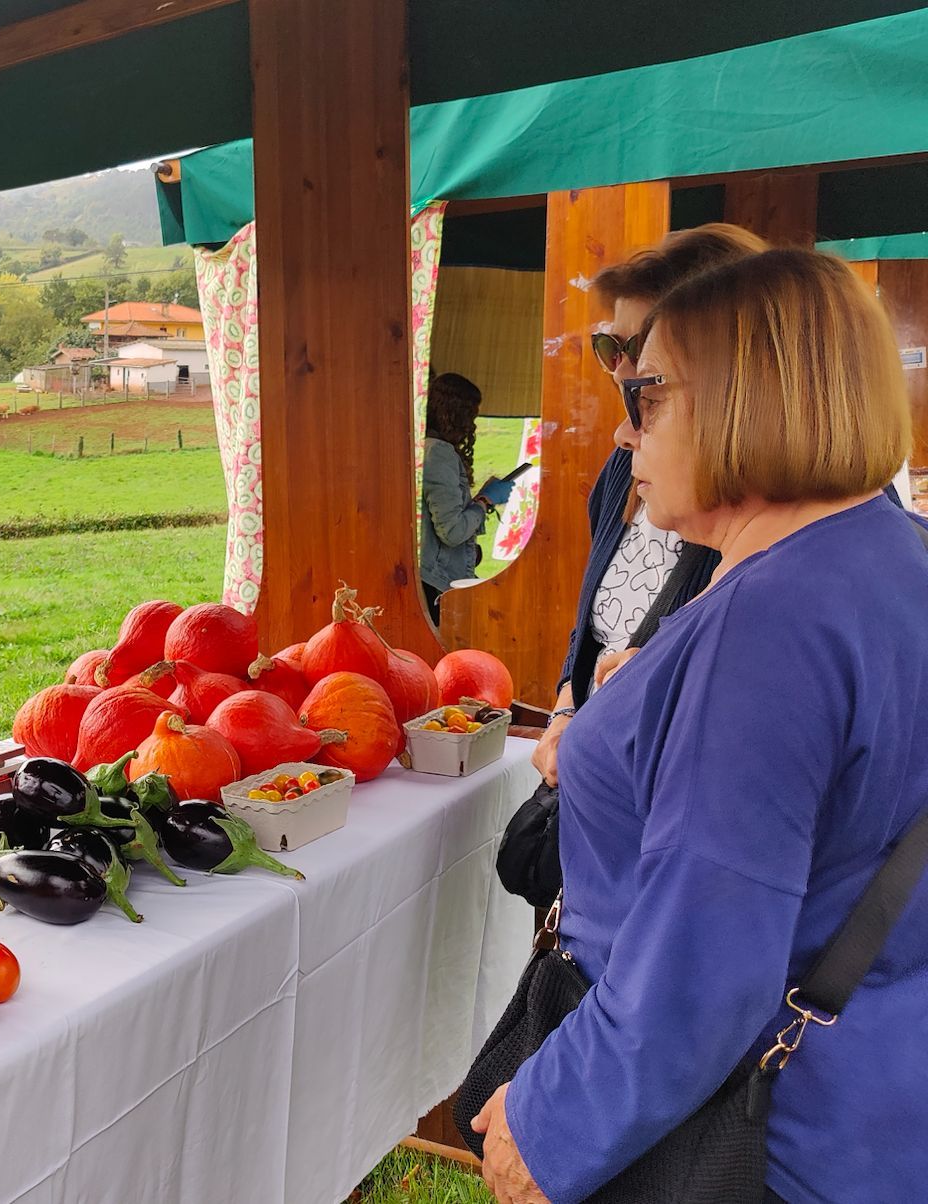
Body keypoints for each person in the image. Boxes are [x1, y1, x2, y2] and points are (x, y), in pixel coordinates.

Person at [471, 248, 928, 1204]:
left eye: (648, 395)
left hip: (755, 1138)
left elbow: (703, 961)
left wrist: (548, 1120)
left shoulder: (770, 623)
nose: (628, 435)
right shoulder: (885, 556)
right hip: (873, 1095)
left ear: (742, 401)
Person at [532, 224, 769, 786]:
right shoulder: (625, 466)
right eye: (608, 347)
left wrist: (664, 678)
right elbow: (592, 624)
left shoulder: (784, 507)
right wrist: (567, 710)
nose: (618, 370)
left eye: (637, 348)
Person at [420, 373, 511, 623]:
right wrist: (484, 502)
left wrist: (481, 499)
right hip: (435, 582)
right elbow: (452, 531)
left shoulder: (424, 448)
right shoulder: (438, 454)